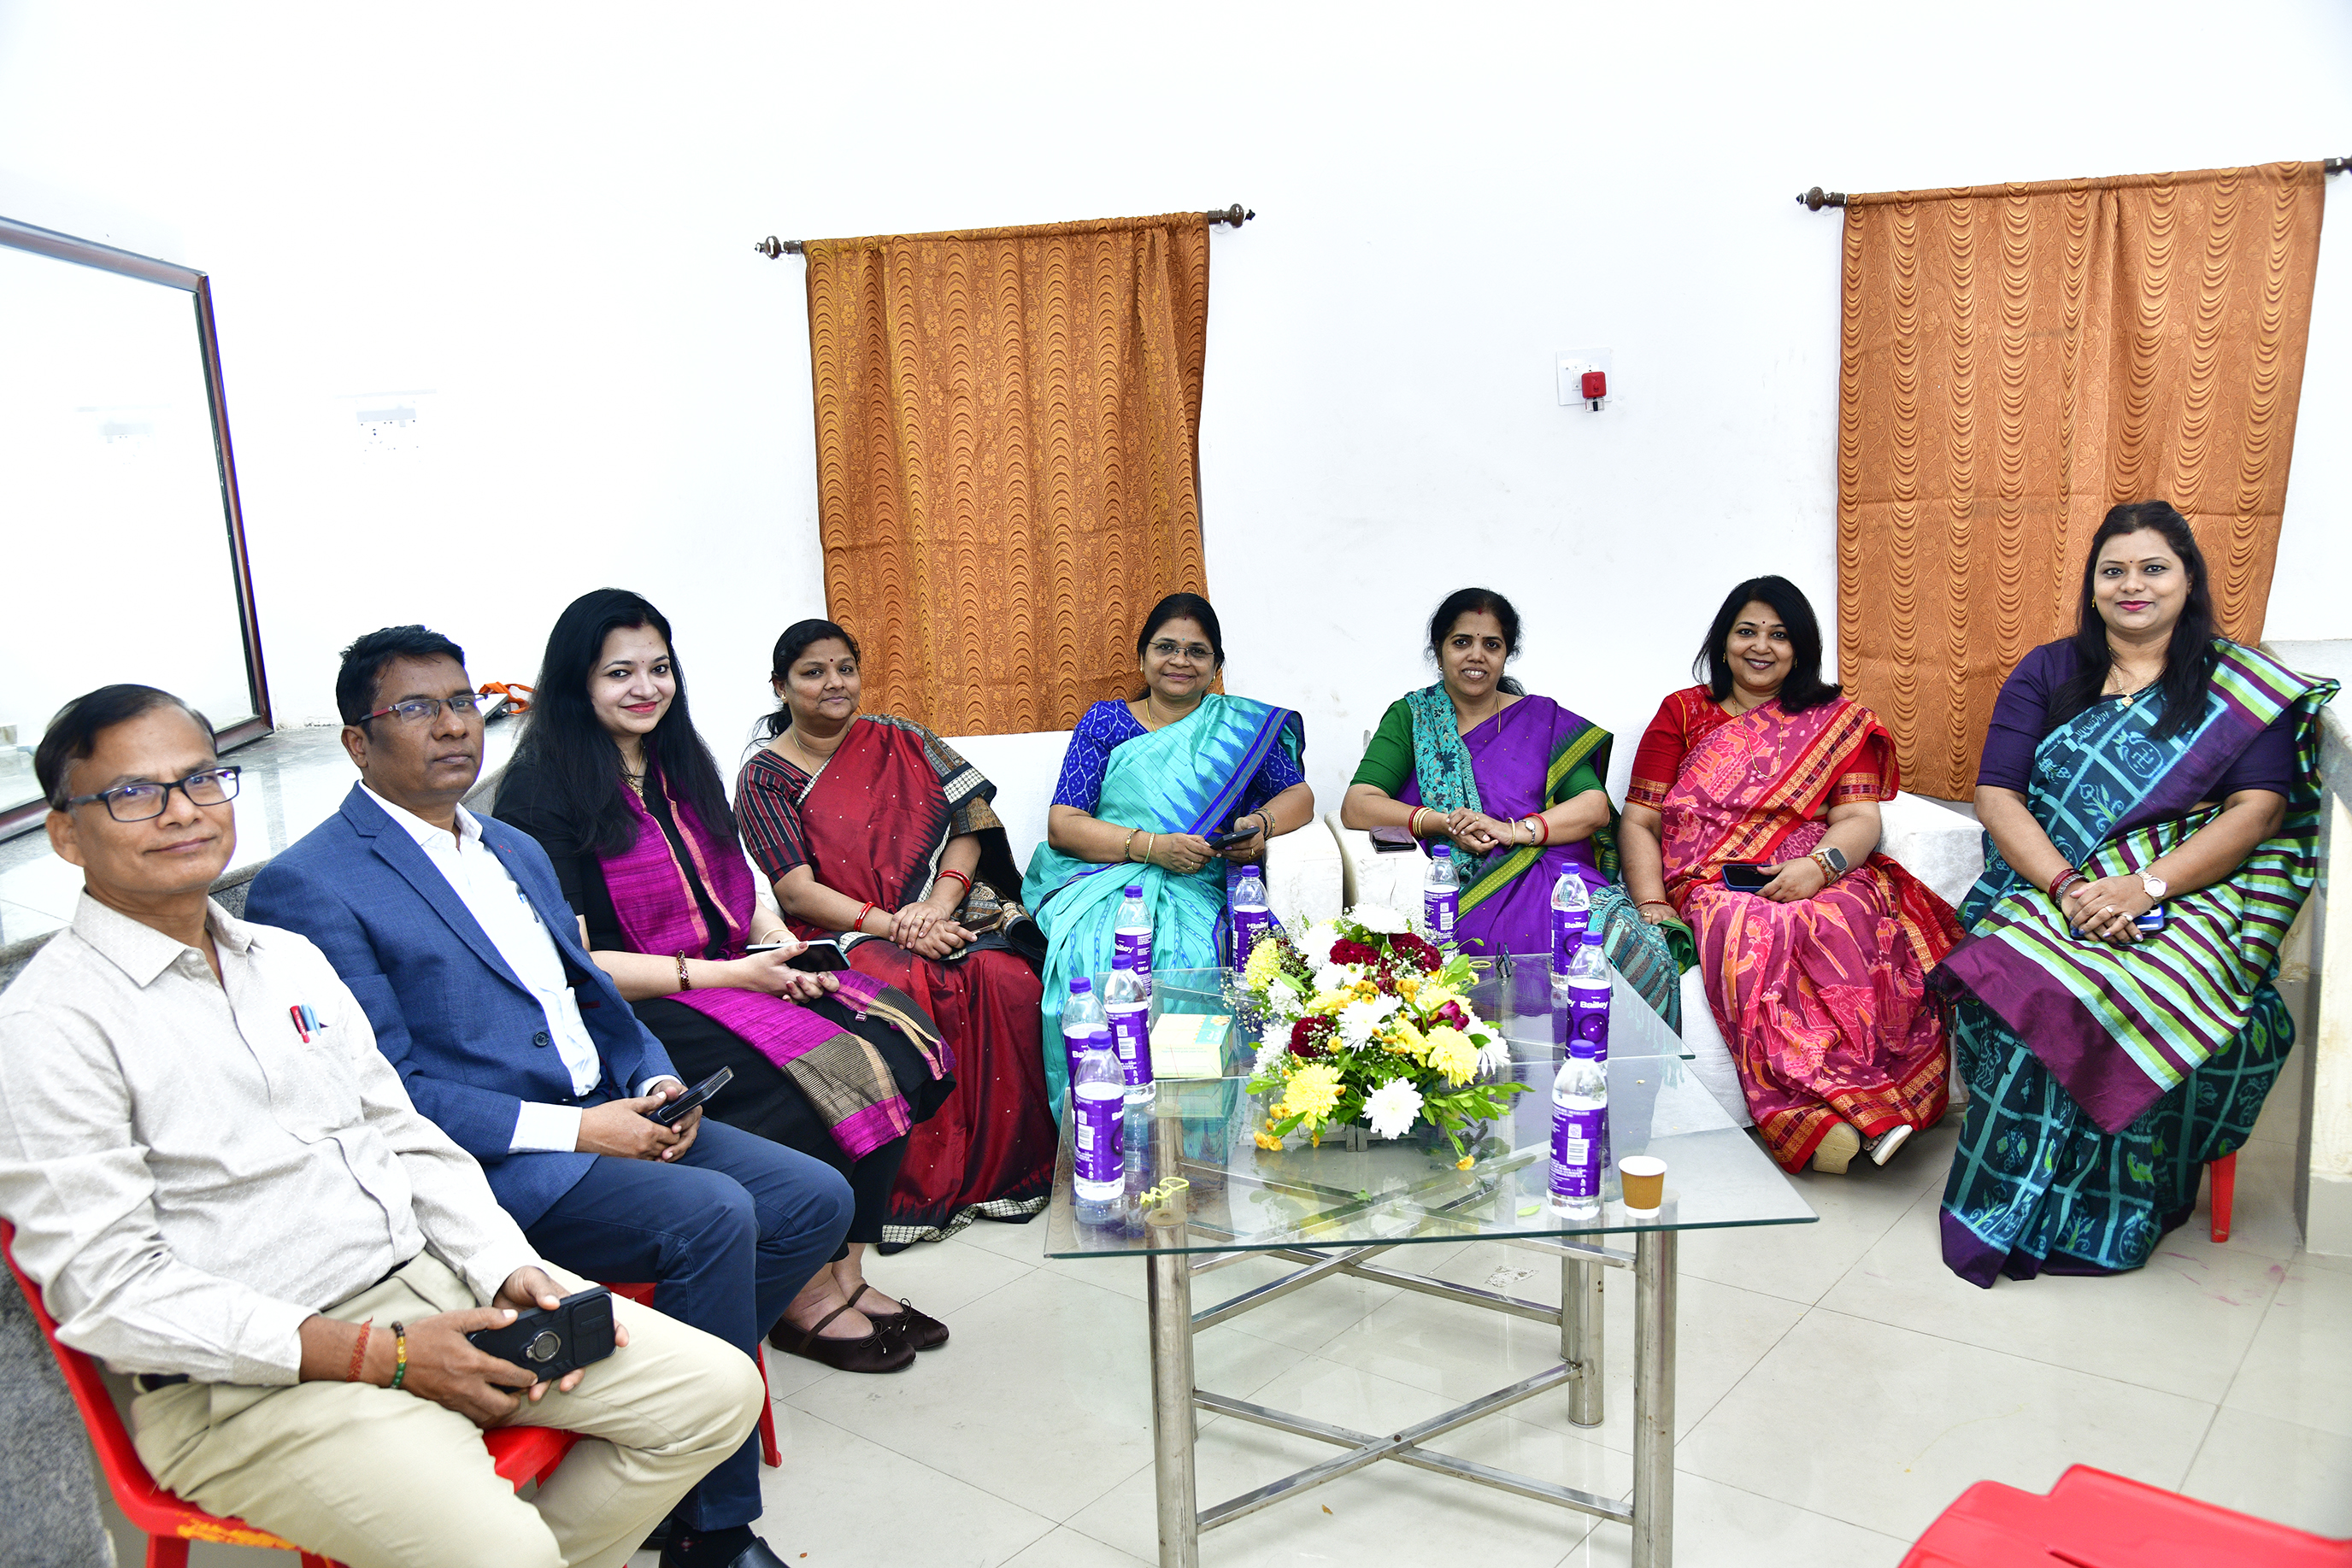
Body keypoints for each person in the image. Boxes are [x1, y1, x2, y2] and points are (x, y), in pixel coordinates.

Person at [0, 684, 763, 1568]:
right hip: (251, 1381)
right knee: (507, 1554)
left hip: (431, 1286)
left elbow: (402, 1135)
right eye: (134, 792)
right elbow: (111, 1291)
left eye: (202, 778)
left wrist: (502, 1263)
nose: (182, 810)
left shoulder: (284, 958)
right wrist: (382, 1355)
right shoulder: (50, 1025)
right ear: (65, 833)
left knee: (716, 1393)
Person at [246, 627, 845, 1568]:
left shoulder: (511, 847)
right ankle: (712, 1526)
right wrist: (579, 1130)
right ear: (357, 741)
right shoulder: (310, 885)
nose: (453, 725)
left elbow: (591, 994)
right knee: (716, 1216)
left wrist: (652, 1080)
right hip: (497, 1163)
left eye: (462, 702)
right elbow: (384, 1092)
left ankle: (656, 1418)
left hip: (609, 1109)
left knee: (814, 1198)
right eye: (416, 708)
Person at [496, 592, 955, 1356]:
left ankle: (847, 1271)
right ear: (578, 681)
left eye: (659, 668)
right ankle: (804, 1293)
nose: (646, 688)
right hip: (635, 1002)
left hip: (730, 967)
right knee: (819, 1075)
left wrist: (774, 945)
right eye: (620, 673)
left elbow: (740, 885)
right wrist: (730, 976)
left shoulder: (677, 760)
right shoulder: (541, 789)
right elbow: (575, 965)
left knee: (901, 1039)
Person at [1933, 502, 2336, 1285]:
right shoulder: (2050, 670)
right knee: (2033, 983)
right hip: (2049, 879)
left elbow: (2258, 810)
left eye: (2154, 568)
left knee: (2143, 986)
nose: (2133, 585)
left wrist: (2144, 887)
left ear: (2188, 579)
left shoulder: (2235, 686)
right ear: (2092, 585)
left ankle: (2105, 1214)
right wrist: (2069, 886)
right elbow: (1997, 795)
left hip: (2188, 889)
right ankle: (2014, 1203)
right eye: (2113, 570)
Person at [1618, 577, 1961, 1175]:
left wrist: (1819, 867)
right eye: (1746, 631)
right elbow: (1640, 819)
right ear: (1723, 641)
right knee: (1750, 929)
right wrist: (1652, 902)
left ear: (1800, 648)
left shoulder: (1835, 721)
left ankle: (1874, 1106)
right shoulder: (1684, 712)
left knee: (1846, 918)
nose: (1761, 646)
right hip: (1716, 881)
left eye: (1779, 635)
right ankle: (1820, 1118)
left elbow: (1858, 817)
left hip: (1819, 868)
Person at [733, 618, 1057, 1247]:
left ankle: (1008, 1174)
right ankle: (908, 1191)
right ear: (780, 686)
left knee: (1007, 978)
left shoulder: (905, 738)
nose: (835, 682)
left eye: (845, 668)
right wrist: (898, 927)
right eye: (813, 672)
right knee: (898, 988)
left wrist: (936, 904)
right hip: (841, 926)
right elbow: (795, 890)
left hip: (941, 910)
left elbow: (972, 822)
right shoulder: (765, 777)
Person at [1340, 586, 1690, 1025]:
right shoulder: (1413, 716)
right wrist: (1441, 822)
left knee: (1640, 949)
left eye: (1492, 644)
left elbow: (1594, 806)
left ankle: (1626, 1064)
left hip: (1548, 873)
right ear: (1439, 650)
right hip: (1458, 888)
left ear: (1507, 655)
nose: (1476, 656)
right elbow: (1358, 803)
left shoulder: (1540, 718)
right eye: (1462, 642)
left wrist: (1513, 830)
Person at [1023, 592, 1314, 1109]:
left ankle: (1193, 1122)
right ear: (1142, 658)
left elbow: (1301, 796)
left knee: (1198, 957)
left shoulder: (1239, 726)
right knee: (1096, 950)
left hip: (1200, 879)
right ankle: (1104, 1111)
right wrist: (1153, 848)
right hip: (1109, 875)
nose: (1181, 661)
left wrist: (1259, 824)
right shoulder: (1106, 722)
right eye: (1166, 648)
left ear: (1216, 666)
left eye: (1197, 651)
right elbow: (1064, 825)